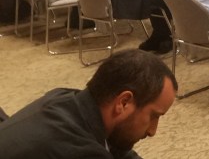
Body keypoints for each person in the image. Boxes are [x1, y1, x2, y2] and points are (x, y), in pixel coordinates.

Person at [0, 49, 177, 158]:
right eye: (154, 116)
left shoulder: (66, 98)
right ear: (123, 102)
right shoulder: (81, 151)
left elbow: (119, 148)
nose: (152, 131)